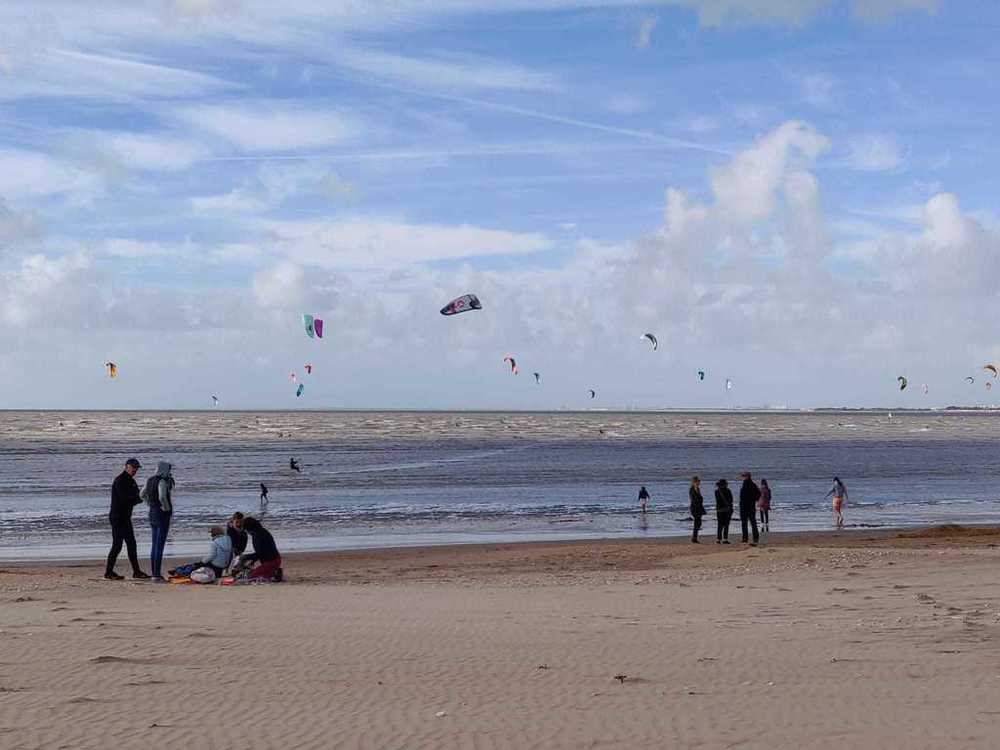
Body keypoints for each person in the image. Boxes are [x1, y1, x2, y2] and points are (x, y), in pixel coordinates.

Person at [105, 458, 150, 580]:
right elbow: (126, 498)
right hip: (118, 517)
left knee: (130, 544)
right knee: (118, 545)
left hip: (124, 517)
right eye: (133, 467)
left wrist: (142, 497)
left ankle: (136, 572)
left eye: (136, 468)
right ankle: (109, 572)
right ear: (126, 466)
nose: (135, 470)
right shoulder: (120, 480)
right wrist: (138, 498)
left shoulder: (131, 481)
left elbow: (136, 496)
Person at [141, 461, 175, 581]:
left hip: (152, 513)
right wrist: (166, 508)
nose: (170, 473)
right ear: (164, 470)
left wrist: (149, 504)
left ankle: (154, 572)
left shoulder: (149, 480)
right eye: (169, 470)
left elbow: (142, 494)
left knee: (154, 544)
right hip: (161, 515)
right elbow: (162, 496)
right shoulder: (162, 481)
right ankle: (156, 574)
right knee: (159, 545)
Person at [168, 526, 233, 579]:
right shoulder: (229, 539)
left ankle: (178, 571)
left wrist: (202, 561)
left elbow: (211, 556)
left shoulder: (215, 542)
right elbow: (230, 554)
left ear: (214, 534)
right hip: (223, 566)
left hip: (215, 565)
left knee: (195, 565)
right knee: (200, 564)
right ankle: (177, 570)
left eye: (211, 534)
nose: (211, 535)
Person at [239, 516, 282, 581]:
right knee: (253, 573)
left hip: (271, 561)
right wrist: (252, 560)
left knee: (252, 577)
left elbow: (260, 553)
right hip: (274, 560)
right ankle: (273, 572)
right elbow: (260, 552)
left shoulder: (257, 535)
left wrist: (246, 557)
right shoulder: (261, 531)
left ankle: (274, 574)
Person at [739, 472, 760, 546]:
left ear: (748, 476)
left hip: (747, 506)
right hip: (749, 506)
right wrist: (754, 499)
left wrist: (753, 499)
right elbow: (758, 494)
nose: (742, 477)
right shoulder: (750, 484)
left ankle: (747, 538)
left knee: (749, 522)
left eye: (744, 476)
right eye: (742, 476)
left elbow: (758, 494)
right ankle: (752, 537)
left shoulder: (750, 484)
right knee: (750, 522)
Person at [714, 479, 733, 544]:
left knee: (720, 525)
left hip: (719, 510)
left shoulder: (716, 491)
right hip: (727, 509)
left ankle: (718, 539)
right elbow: (731, 500)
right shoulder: (728, 491)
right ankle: (725, 539)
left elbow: (718, 501)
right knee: (726, 525)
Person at [689, 476, 706, 543]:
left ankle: (694, 537)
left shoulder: (697, 489)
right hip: (695, 508)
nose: (699, 483)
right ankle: (694, 538)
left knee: (698, 523)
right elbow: (694, 499)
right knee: (697, 522)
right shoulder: (692, 489)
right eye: (697, 482)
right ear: (694, 482)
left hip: (699, 508)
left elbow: (699, 498)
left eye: (699, 482)